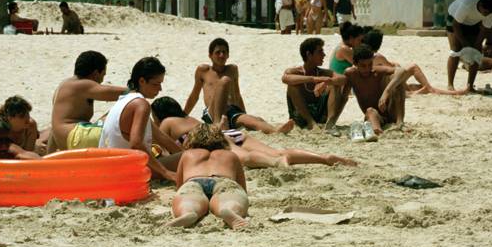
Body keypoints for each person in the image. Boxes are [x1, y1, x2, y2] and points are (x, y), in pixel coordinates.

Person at [152, 97, 356, 169]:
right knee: (277, 151)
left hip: (211, 137)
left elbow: (170, 151)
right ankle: (324, 158)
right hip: (231, 133)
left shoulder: (167, 123)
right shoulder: (189, 119)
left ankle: (276, 163)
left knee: (246, 158)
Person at [182, 38, 292, 135]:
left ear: (228, 55)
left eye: (224, 52)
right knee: (224, 81)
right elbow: (194, 96)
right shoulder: (204, 70)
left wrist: (244, 114)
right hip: (213, 112)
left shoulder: (232, 69)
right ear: (210, 55)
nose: (221, 55)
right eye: (218, 52)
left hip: (230, 110)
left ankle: (275, 130)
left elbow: (237, 94)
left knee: (254, 120)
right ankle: (217, 125)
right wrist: (183, 115)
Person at [101, 56, 177, 181]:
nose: (160, 89)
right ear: (142, 81)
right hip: (129, 171)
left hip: (112, 169)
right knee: (189, 158)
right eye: (156, 84)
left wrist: (182, 152)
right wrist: (166, 173)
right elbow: (135, 144)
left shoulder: (125, 100)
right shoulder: (141, 104)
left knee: (186, 155)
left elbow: (161, 137)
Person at [169, 124, 250, 230]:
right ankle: (229, 209)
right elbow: (241, 186)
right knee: (231, 199)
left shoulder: (188, 154)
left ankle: (188, 212)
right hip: (223, 180)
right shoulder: (230, 155)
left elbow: (179, 184)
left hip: (194, 181)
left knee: (188, 201)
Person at [49, 50, 126, 152]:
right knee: (124, 111)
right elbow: (115, 93)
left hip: (66, 140)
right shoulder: (83, 84)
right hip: (76, 138)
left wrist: (48, 156)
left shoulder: (65, 85)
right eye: (103, 75)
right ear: (95, 73)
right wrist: (139, 89)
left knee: (111, 114)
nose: (102, 80)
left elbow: (53, 129)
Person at [344, 43, 417, 135]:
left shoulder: (376, 71)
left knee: (398, 81)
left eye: (370, 64)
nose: (367, 69)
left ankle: (400, 122)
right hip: (374, 114)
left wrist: (386, 92)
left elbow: (401, 70)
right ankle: (377, 130)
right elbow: (343, 96)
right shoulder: (351, 74)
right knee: (370, 111)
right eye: (363, 66)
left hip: (390, 111)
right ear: (355, 63)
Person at [282, 37, 350, 130]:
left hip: (320, 117)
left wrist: (327, 81)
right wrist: (315, 79)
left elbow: (343, 79)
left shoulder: (323, 72)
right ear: (309, 55)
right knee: (292, 86)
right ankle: (310, 122)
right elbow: (286, 78)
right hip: (300, 118)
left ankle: (330, 122)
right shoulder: (296, 71)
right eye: (320, 52)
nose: (324, 55)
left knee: (335, 84)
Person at [447, 0, 492, 90]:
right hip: (454, 18)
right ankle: (450, 84)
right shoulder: (468, 2)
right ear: (480, 5)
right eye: (485, 12)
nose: (486, 15)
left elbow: (485, 29)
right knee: (456, 51)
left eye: (488, 13)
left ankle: (470, 86)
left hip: (474, 22)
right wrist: (465, 43)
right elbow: (456, 25)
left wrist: (477, 44)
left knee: (476, 53)